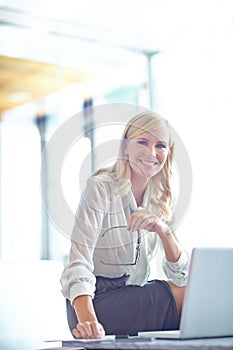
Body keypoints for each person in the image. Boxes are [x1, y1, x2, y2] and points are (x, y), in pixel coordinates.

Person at [60, 109, 190, 339]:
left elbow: (180, 276)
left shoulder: (160, 199)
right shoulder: (101, 188)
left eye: (161, 145)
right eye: (143, 141)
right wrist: (89, 321)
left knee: (193, 295)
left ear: (168, 153)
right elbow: (78, 262)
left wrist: (164, 231)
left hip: (130, 293)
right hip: (91, 303)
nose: (152, 152)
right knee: (189, 298)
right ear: (125, 147)